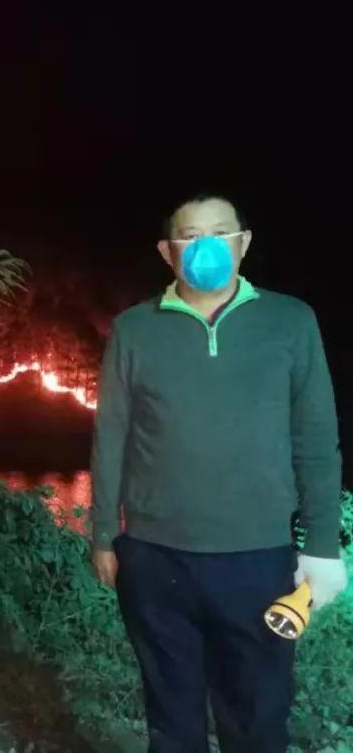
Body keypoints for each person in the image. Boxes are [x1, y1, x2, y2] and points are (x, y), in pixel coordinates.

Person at [89, 195, 348, 752]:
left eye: (219, 232)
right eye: (189, 235)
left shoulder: (290, 321)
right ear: (167, 251)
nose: (205, 245)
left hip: (258, 560)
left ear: (243, 243)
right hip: (154, 558)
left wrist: (323, 548)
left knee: (257, 717)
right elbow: (111, 435)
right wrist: (103, 534)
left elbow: (316, 441)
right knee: (170, 717)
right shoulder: (134, 329)